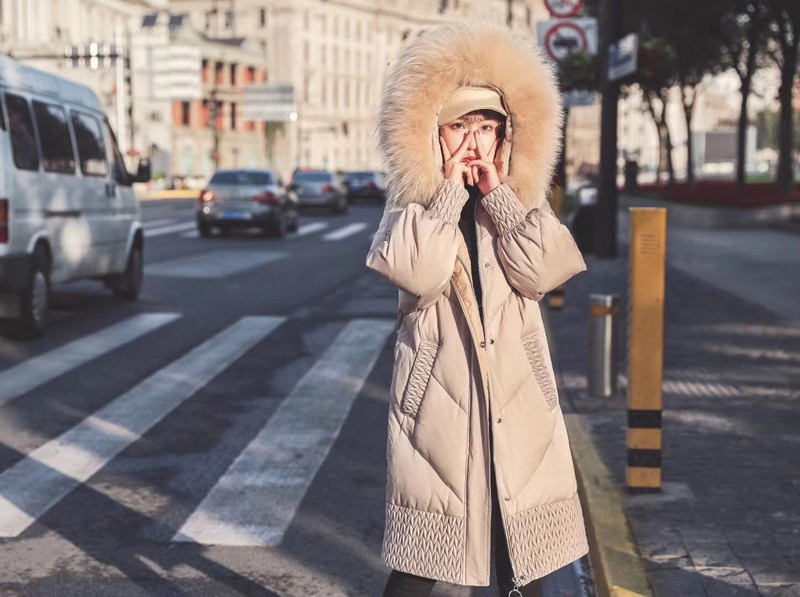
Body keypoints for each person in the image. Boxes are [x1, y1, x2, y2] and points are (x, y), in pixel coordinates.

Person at [366, 21, 589, 597]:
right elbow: (418, 272)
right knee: (420, 568)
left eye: (486, 126)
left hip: (518, 409)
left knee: (526, 566)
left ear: (505, 135)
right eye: (460, 125)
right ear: (433, 133)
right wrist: (447, 194)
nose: (474, 140)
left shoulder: (517, 202)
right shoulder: (411, 206)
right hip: (440, 412)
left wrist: (499, 198)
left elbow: (546, 271)